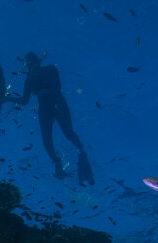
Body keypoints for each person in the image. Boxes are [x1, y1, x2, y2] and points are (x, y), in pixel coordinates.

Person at [11, 52, 95, 184]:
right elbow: (24, 100)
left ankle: (82, 153)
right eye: (30, 65)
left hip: (57, 103)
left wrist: (47, 91)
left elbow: (58, 86)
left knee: (68, 133)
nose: (33, 67)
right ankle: (58, 163)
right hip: (46, 108)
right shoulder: (29, 79)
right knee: (47, 141)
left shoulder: (50, 69)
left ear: (38, 62)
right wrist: (7, 99)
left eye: (34, 63)